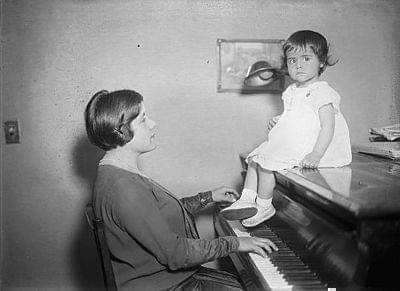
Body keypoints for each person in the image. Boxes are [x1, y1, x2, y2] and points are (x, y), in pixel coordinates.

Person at [84, 89, 278, 290]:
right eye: (143, 119)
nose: (152, 123)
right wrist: (235, 243)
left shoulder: (116, 172)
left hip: (163, 280)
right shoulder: (124, 188)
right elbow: (177, 255)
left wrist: (206, 197)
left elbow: (157, 215)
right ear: (122, 130)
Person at [221, 30, 352, 228]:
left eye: (306, 58)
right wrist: (280, 120)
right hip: (298, 141)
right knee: (256, 159)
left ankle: (265, 205)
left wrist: (315, 155)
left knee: (267, 164)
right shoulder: (292, 90)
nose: (298, 64)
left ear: (322, 61)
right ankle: (247, 199)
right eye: (292, 60)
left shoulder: (322, 91)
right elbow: (297, 115)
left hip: (317, 148)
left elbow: (327, 126)